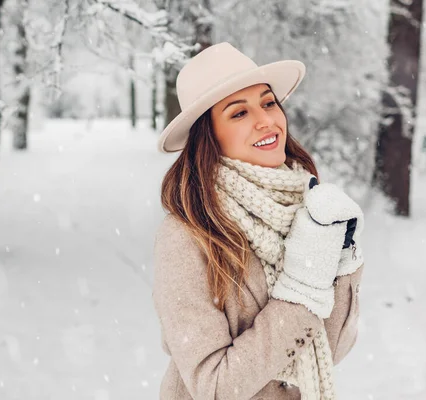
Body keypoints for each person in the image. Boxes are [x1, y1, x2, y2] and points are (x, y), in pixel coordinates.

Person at [152, 42, 365, 400]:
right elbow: (213, 386)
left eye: (268, 103)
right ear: (209, 136)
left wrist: (342, 259)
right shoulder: (185, 237)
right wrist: (300, 291)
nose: (266, 120)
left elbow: (329, 354)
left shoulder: (303, 210)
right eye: (239, 113)